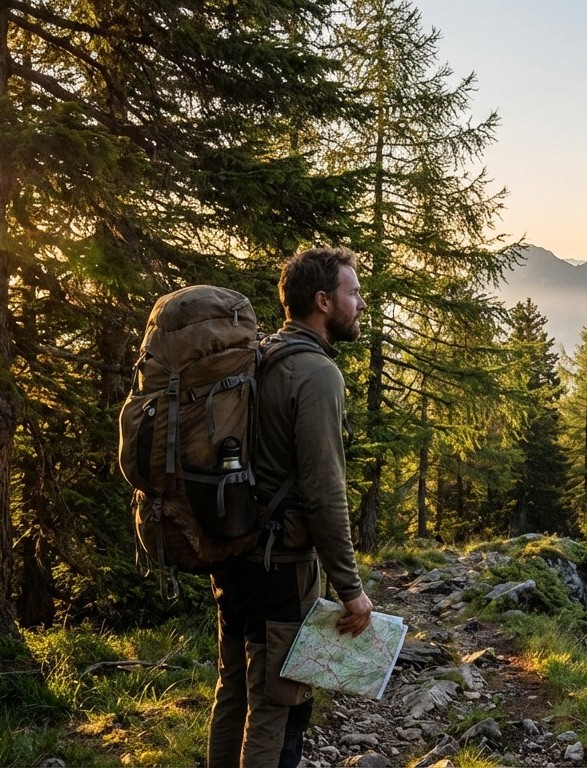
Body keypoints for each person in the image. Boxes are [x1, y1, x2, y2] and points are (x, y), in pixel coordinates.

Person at [207, 247, 375, 768]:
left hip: (232, 551)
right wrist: (351, 589)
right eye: (353, 293)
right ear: (323, 301)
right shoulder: (317, 374)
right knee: (277, 706)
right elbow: (325, 493)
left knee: (233, 689)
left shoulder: (261, 357)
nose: (361, 304)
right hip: (279, 566)